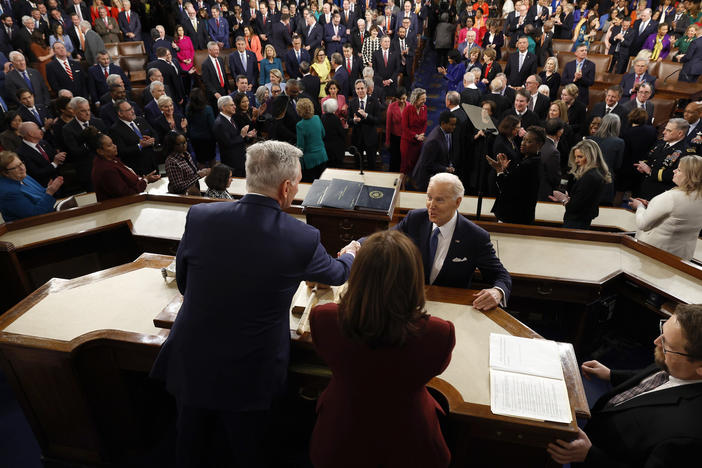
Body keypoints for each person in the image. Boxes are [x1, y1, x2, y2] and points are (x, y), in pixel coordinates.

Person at [150, 140, 359, 467]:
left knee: (189, 443)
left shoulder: (202, 216)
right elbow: (336, 275)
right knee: (247, 449)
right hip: (250, 369)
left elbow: (186, 283)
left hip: (192, 357)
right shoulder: (301, 236)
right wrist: (350, 254)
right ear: (287, 187)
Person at [309, 229, 455, 468]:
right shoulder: (439, 333)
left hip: (341, 433)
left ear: (358, 273)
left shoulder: (324, 319)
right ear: (414, 277)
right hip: (410, 439)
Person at [547, 304, 702, 466]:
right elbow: (654, 379)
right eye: (662, 331)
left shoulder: (689, 437)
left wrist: (590, 455)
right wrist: (611, 375)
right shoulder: (678, 360)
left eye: (666, 345)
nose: (656, 342)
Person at [392, 172, 511, 309]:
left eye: (439, 200)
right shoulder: (415, 219)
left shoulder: (475, 236)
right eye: (429, 197)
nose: (431, 205)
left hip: (452, 308)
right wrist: (360, 244)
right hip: (412, 304)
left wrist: (497, 292)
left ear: (458, 202)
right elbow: (384, 241)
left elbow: (501, 275)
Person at [628, 155, 702, 259]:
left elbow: (643, 224)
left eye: (679, 170)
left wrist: (639, 206)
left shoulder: (671, 197)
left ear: (691, 176)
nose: (674, 171)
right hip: (683, 255)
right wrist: (652, 206)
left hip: (656, 253)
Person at [487, 125, 544, 224]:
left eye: (529, 141)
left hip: (514, 217)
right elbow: (516, 183)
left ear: (539, 145)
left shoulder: (528, 164)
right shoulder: (531, 161)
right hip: (520, 215)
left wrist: (499, 170)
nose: (523, 143)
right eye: (523, 139)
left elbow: (505, 186)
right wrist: (505, 171)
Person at [550, 139, 612, 229]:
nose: (576, 161)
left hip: (576, 223)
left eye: (580, 157)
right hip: (581, 221)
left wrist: (563, 199)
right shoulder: (595, 174)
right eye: (575, 157)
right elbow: (583, 200)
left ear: (591, 157)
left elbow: (575, 207)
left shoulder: (590, 177)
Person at [86, 127, 160, 201]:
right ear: (100, 151)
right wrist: (145, 181)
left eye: (113, 143)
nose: (115, 146)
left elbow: (129, 178)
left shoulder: (111, 158)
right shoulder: (106, 169)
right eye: (110, 145)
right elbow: (126, 194)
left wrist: (142, 179)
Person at [0, 150, 63, 221]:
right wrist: (50, 192)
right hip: (29, 228)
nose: (22, 168)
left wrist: (48, 189)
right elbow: (35, 215)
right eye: (15, 167)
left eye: (21, 164)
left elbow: (40, 194)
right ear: (5, 173)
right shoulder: (8, 193)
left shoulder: (24, 176)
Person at [636, 118, 689, 200]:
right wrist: (643, 165)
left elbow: (674, 175)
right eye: (665, 129)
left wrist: (650, 171)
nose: (664, 132)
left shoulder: (686, 152)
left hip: (661, 193)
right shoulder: (661, 142)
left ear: (680, 133)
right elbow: (649, 157)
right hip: (645, 186)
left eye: (669, 130)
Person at [412, 111, 457, 191]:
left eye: (454, 124)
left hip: (437, 176)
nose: (454, 127)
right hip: (426, 180)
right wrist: (446, 169)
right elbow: (427, 165)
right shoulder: (434, 141)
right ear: (443, 123)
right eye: (452, 125)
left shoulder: (448, 132)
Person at [213, 95, 256, 177]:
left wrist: (246, 135)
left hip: (239, 158)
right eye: (232, 105)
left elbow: (235, 137)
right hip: (232, 162)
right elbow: (228, 143)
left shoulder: (230, 118)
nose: (235, 107)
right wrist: (242, 135)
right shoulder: (220, 123)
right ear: (223, 107)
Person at [588, 113, 624, 205]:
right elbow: (617, 165)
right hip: (606, 181)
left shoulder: (589, 139)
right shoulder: (619, 142)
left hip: (588, 179)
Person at [16, 121, 65, 187]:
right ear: (31, 134)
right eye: (38, 129)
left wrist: (60, 158)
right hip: (44, 187)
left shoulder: (43, 143)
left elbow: (54, 158)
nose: (41, 131)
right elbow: (37, 173)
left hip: (58, 180)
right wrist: (55, 163)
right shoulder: (21, 153)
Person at [348, 79, 380, 171]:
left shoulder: (374, 101)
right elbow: (348, 120)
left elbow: (377, 120)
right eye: (358, 89)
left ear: (366, 89)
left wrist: (366, 115)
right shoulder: (352, 102)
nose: (360, 90)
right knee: (358, 165)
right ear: (355, 90)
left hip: (370, 138)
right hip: (357, 138)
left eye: (362, 88)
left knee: (372, 165)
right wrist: (354, 120)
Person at [296, 97, 327, 181]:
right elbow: (323, 134)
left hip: (309, 161)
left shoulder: (300, 125)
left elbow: (300, 147)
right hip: (322, 156)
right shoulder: (317, 118)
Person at [400, 87, 427, 179]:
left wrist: (422, 133)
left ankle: (412, 180)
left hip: (419, 141)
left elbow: (425, 123)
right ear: (416, 99)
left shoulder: (424, 108)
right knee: (405, 165)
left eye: (425, 98)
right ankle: (402, 183)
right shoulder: (408, 109)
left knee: (416, 163)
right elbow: (404, 127)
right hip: (408, 141)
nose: (424, 101)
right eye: (422, 99)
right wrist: (416, 136)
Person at [185, 88, 215, 168]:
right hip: (208, 138)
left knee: (200, 160)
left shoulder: (188, 108)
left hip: (195, 139)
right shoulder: (208, 109)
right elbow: (212, 125)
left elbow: (188, 124)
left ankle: (202, 178)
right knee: (211, 159)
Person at [385, 87, 407, 173]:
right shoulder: (391, 107)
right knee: (394, 159)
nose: (402, 101)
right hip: (395, 138)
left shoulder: (409, 106)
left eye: (404, 98)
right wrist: (387, 141)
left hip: (405, 137)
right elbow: (388, 125)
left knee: (404, 159)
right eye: (399, 99)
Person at [320, 98, 346, 168]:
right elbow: (342, 133)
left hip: (325, 147)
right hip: (335, 149)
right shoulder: (335, 118)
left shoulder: (322, 117)